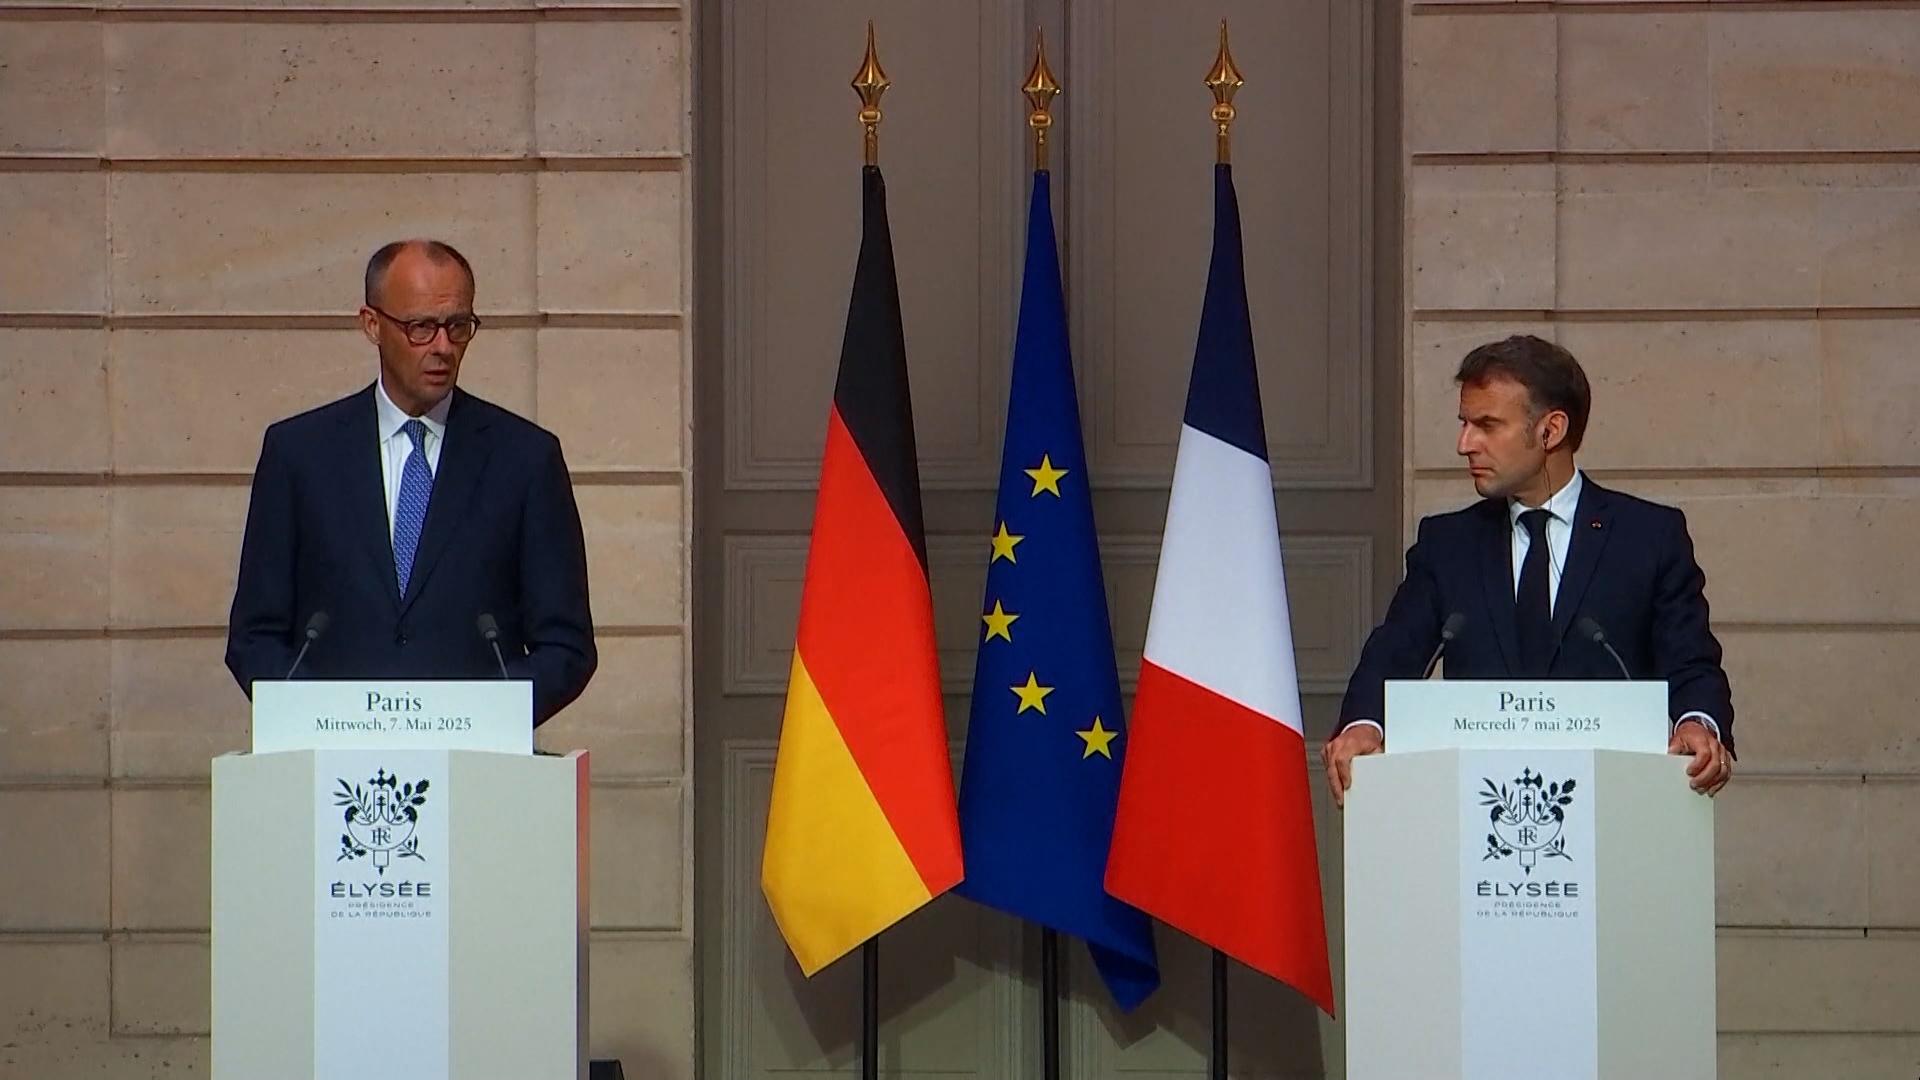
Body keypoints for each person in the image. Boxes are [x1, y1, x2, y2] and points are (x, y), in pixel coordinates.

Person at [1324, 334, 1733, 804]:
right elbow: (1394, 652)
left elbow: (1691, 662)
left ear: (1550, 430)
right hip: (1475, 812)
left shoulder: (1648, 537)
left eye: (1487, 425)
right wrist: (1362, 724)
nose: (1464, 444)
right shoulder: (1447, 543)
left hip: (1614, 810)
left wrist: (1697, 723)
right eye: (1464, 424)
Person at [225, 239, 596, 725]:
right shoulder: (299, 454)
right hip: (333, 764)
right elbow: (255, 637)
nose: (443, 347)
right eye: (421, 327)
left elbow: (565, 645)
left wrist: (477, 719)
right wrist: (327, 719)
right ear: (372, 325)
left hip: (475, 765)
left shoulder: (524, 459)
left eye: (458, 327)